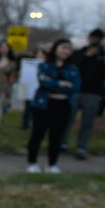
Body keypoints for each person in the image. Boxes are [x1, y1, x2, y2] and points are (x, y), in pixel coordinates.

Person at [63, 29, 105, 160]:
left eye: (98, 39)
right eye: (93, 38)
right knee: (68, 118)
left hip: (94, 93)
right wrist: (86, 56)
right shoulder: (81, 52)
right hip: (76, 90)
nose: (95, 41)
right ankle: (62, 142)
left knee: (87, 122)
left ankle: (81, 147)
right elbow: (72, 65)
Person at [27, 39, 81, 173]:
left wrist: (57, 84)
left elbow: (75, 86)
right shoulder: (44, 66)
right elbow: (44, 83)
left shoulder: (73, 69)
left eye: (68, 48)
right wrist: (60, 84)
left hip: (63, 105)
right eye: (63, 47)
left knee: (57, 136)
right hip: (44, 104)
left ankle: (53, 163)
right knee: (38, 134)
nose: (66, 51)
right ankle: (32, 162)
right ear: (55, 49)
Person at [21, 47, 47, 130]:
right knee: (28, 108)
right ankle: (25, 124)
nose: (40, 56)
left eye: (42, 54)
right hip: (29, 90)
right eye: (39, 54)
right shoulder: (29, 64)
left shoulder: (47, 65)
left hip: (40, 90)